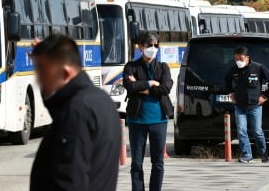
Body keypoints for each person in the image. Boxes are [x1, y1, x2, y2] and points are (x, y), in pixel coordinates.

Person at [29, 35, 120, 191]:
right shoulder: (100, 100)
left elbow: (68, 180)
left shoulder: (77, 110)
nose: (39, 80)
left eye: (43, 70)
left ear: (65, 73)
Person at [123, 32, 173, 191]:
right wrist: (151, 82)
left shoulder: (163, 67)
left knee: (158, 163)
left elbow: (166, 88)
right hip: (137, 120)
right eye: (149, 45)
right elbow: (130, 86)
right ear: (141, 46)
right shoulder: (131, 66)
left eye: (156, 45)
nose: (153, 48)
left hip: (159, 120)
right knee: (136, 162)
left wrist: (144, 88)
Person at [224, 46, 269, 163]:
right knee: (241, 130)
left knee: (257, 131)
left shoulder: (258, 68)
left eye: (241, 59)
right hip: (240, 106)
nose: (238, 61)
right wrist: (231, 93)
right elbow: (227, 80)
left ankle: (263, 153)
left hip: (255, 106)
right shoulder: (233, 70)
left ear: (247, 58)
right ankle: (246, 154)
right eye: (236, 59)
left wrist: (265, 96)